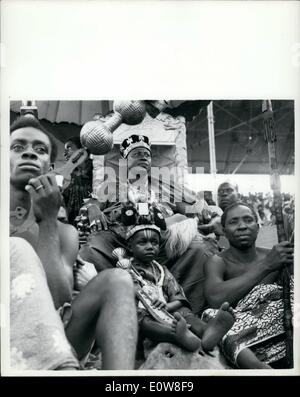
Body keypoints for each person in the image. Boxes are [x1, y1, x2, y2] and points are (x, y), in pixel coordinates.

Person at [9, 115, 138, 370]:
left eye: (40, 150)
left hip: (55, 338)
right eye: (18, 147)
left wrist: (47, 221)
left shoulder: (64, 232)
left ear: (49, 167)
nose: (30, 154)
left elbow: (57, 301)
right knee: (18, 248)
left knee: (118, 280)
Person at [78, 134, 220, 315]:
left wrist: (212, 215)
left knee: (202, 249)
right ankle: (108, 309)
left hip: (161, 245)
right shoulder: (113, 186)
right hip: (123, 245)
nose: (143, 157)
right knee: (91, 249)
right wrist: (92, 208)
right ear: (125, 160)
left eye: (146, 154)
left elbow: (194, 209)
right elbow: (94, 203)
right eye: (137, 154)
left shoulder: (164, 186)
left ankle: (188, 312)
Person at [113, 203, 235, 354]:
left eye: (155, 242)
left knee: (184, 311)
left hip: (166, 306)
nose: (150, 247)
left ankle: (208, 331)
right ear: (130, 247)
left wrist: (168, 306)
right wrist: (149, 305)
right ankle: (177, 336)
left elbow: (177, 294)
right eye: (142, 242)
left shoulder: (161, 270)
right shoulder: (126, 269)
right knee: (143, 321)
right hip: (142, 310)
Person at [203, 202, 294, 369]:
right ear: (223, 231)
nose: (242, 226)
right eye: (233, 222)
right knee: (213, 315)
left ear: (258, 227)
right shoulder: (217, 261)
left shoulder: (275, 256)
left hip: (271, 322)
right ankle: (257, 367)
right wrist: (266, 265)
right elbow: (215, 298)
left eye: (248, 220)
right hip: (238, 324)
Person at [63, 136, 93, 225]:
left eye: (69, 148)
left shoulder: (96, 170)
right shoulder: (68, 174)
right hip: (72, 224)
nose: (65, 153)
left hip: (92, 223)